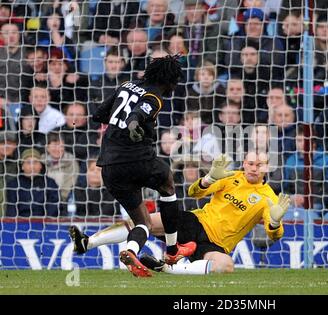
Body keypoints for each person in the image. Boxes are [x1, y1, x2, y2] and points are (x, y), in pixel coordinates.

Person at [69, 152, 291, 275]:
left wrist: (275, 221)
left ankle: (166, 268)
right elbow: (194, 193)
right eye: (250, 163)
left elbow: (274, 235)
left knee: (226, 266)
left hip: (216, 245)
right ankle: (87, 243)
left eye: (259, 164)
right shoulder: (231, 176)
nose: (253, 167)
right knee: (144, 220)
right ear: (244, 162)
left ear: (266, 168)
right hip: (195, 222)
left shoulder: (268, 198)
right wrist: (209, 179)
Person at [89, 54, 195, 277]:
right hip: (136, 159)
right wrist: (134, 123)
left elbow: (98, 114)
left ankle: (131, 250)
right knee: (167, 183)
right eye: (175, 81)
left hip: (108, 166)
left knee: (143, 222)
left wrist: (122, 122)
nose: (174, 86)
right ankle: (173, 249)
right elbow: (139, 112)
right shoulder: (155, 97)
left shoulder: (126, 85)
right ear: (169, 80)